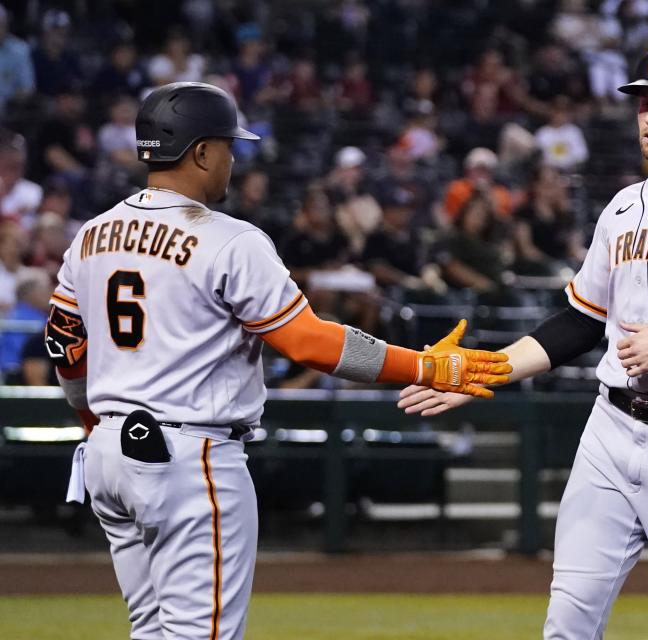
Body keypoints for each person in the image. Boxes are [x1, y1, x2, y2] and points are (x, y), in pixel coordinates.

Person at [45, 82, 511, 640]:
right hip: (187, 458)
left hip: (106, 460)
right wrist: (426, 366)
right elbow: (309, 343)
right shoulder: (229, 239)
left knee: (152, 630)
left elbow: (66, 345)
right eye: (226, 147)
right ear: (199, 152)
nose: (232, 160)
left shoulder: (91, 236)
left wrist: (91, 422)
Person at [400, 45, 648, 640]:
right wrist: (482, 372)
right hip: (610, 430)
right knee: (566, 622)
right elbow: (578, 322)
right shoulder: (620, 209)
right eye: (644, 102)